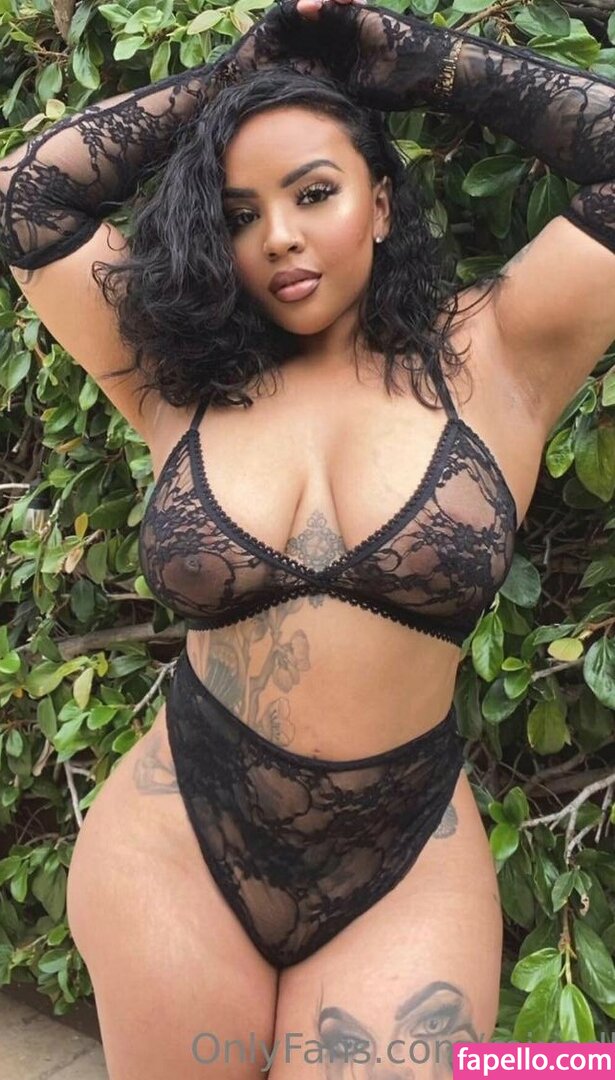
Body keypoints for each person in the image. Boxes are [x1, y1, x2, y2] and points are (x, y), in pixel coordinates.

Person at [1, 0, 614, 1075]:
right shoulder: (178, 377)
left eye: (314, 193)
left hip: (403, 859)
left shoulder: (499, 352)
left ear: (380, 204)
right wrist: (230, 77)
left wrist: (422, 62)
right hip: (177, 841)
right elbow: (25, 199)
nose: (277, 235)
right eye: (240, 213)